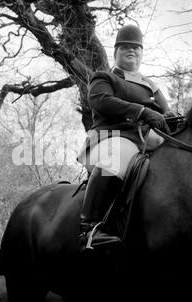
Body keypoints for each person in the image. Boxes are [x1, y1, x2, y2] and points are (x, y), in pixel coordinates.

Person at [78, 24, 170, 248]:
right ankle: (90, 228)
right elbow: (101, 100)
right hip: (111, 138)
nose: (132, 51)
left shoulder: (149, 85)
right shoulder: (104, 78)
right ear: (116, 52)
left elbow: (165, 111)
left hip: (147, 140)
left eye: (136, 48)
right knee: (118, 154)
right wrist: (141, 111)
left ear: (141, 53)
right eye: (126, 47)